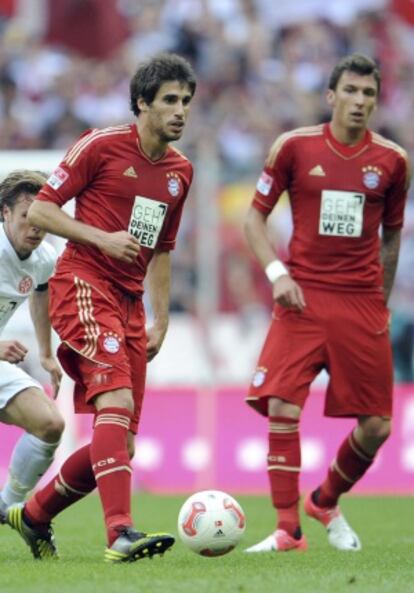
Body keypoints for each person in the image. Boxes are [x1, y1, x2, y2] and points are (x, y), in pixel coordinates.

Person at [5, 53, 197, 563]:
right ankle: (120, 533)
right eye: (169, 101)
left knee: (122, 447)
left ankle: (35, 513)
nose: (180, 111)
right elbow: (44, 208)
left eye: (185, 102)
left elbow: (162, 250)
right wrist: (101, 239)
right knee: (115, 406)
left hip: (132, 305)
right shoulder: (101, 145)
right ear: (142, 103)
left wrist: (162, 317)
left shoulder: (181, 172)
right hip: (83, 283)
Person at [243, 53, 411, 553]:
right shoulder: (293, 148)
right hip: (303, 294)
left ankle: (325, 499)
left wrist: (379, 302)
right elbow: (254, 220)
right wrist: (276, 274)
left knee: (378, 427)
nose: (360, 102)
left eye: (369, 94)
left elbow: (393, 237)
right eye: (352, 91)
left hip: (361, 302)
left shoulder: (393, 161)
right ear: (331, 96)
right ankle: (287, 529)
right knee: (281, 404)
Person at [0, 170, 64, 519]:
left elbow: (42, 289)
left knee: (50, 424)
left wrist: (45, 352)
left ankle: (7, 505)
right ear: (5, 213)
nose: (36, 225)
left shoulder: (43, 260)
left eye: (42, 215)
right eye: (26, 215)